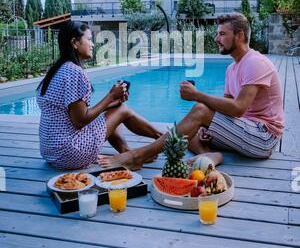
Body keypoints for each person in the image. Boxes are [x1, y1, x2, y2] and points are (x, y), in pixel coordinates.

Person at [99, 13, 284, 170]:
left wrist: (197, 95)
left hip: (263, 138)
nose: (216, 38)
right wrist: (206, 127)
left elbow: (237, 109)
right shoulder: (232, 68)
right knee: (189, 130)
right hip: (244, 130)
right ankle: (210, 155)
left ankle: (137, 156)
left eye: (222, 34)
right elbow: (225, 108)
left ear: (240, 35)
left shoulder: (255, 62)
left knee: (199, 110)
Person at [37, 21, 163, 170]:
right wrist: (110, 97)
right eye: (89, 39)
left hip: (51, 152)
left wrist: (110, 104)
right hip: (69, 153)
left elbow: (76, 116)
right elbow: (80, 121)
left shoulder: (58, 70)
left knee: (114, 109)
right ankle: (163, 139)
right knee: (123, 110)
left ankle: (126, 151)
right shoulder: (74, 72)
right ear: (75, 43)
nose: (92, 44)